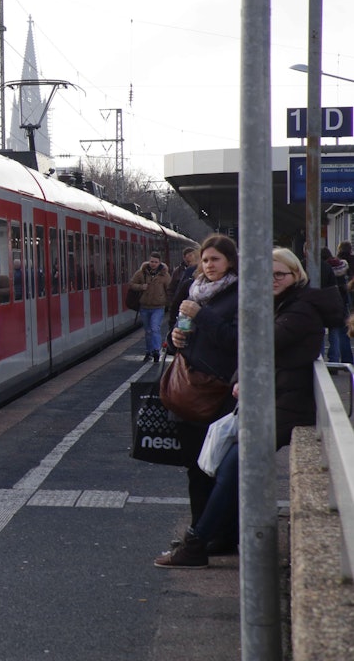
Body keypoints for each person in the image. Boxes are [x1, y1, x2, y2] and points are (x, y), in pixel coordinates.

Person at [155, 247, 345, 568]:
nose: (272, 280)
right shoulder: (284, 304)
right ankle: (205, 538)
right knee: (228, 465)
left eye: (279, 274)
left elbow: (257, 344)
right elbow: (252, 351)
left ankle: (197, 543)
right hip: (275, 400)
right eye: (266, 275)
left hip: (287, 405)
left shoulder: (299, 310)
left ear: (295, 275)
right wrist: (240, 377)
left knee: (233, 465)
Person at [163, 233, 240, 543]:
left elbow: (236, 340)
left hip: (220, 393)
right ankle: (198, 532)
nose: (209, 265)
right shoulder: (193, 290)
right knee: (195, 468)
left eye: (215, 259)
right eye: (205, 260)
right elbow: (179, 330)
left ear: (230, 262)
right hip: (190, 389)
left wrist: (202, 315)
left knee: (217, 467)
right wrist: (175, 339)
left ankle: (220, 536)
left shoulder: (239, 294)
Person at [129, 251, 171, 363]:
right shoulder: (141, 273)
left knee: (154, 328)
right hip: (144, 307)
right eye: (151, 261)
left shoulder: (165, 275)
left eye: (155, 262)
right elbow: (132, 284)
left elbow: (169, 288)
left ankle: (156, 350)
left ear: (159, 262)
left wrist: (169, 303)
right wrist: (141, 287)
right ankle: (149, 351)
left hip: (158, 307)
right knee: (148, 331)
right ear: (149, 261)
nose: (153, 264)